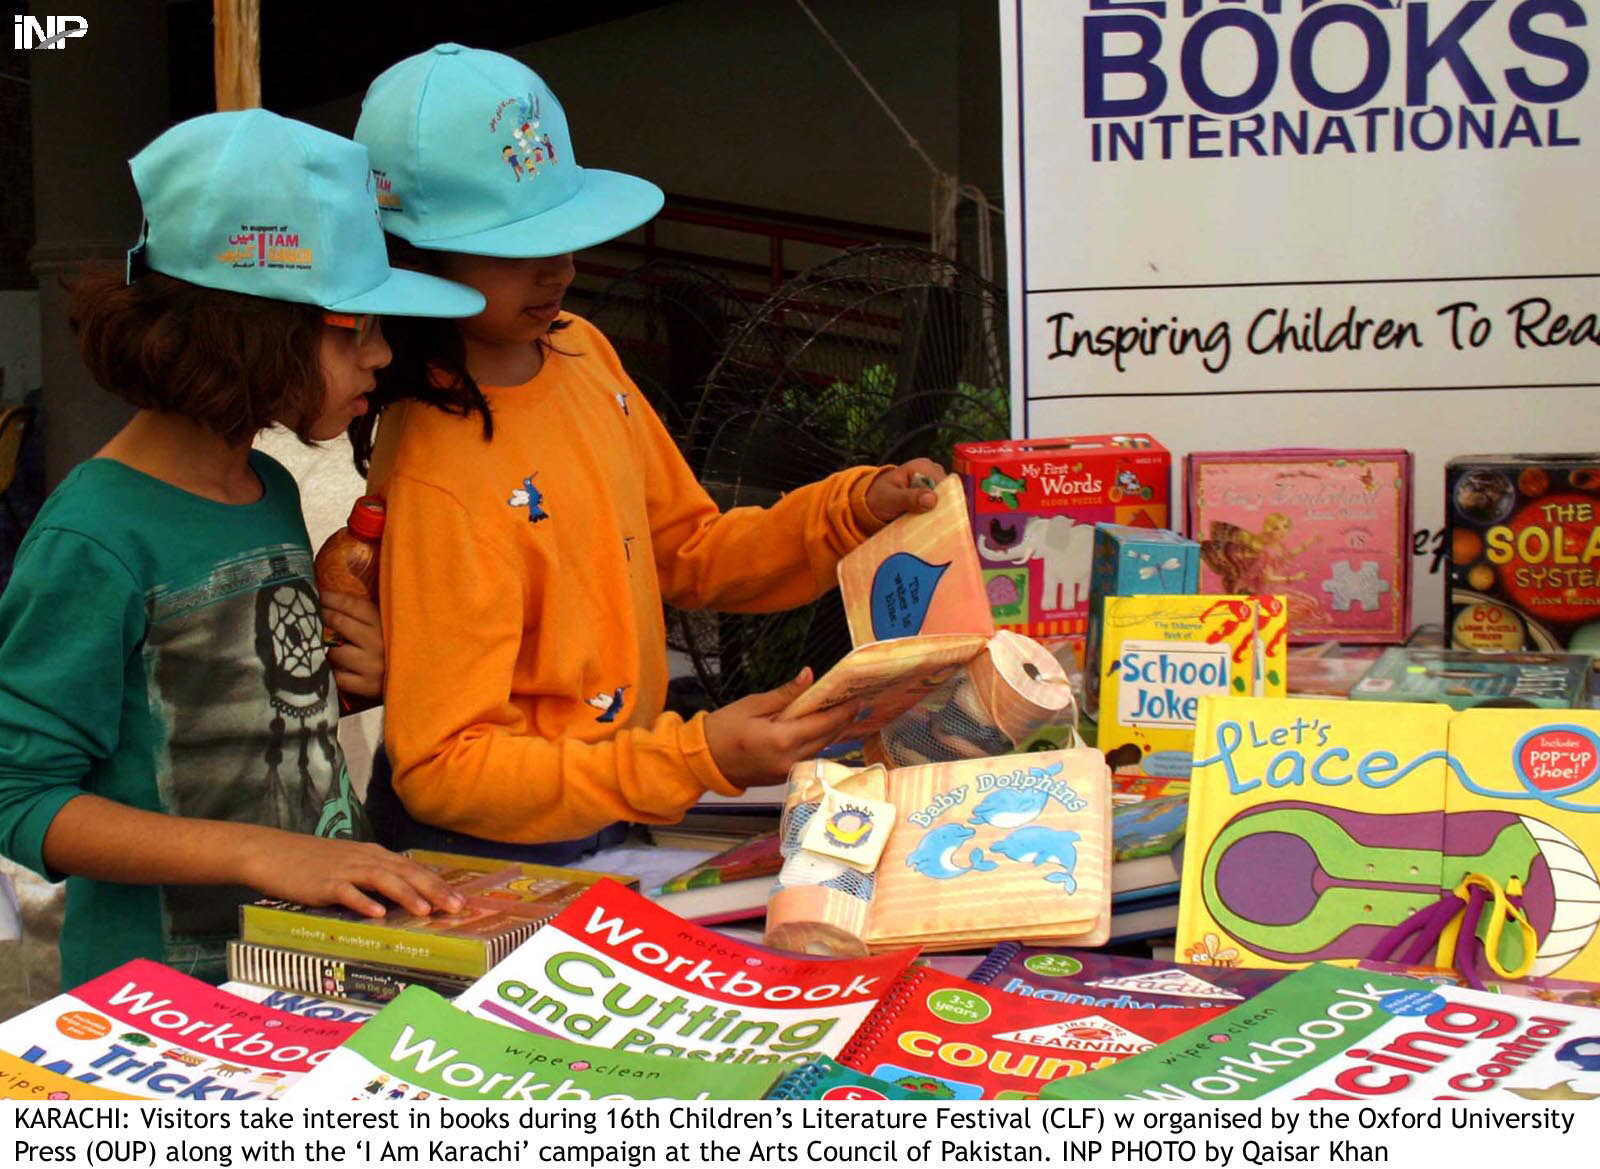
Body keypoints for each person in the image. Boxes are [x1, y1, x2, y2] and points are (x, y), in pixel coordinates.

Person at [349, 45, 945, 858]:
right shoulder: (436, 466)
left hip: (609, 809)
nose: (557, 268)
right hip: (482, 855)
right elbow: (444, 764)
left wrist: (852, 509)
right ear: (417, 257)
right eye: (516, 248)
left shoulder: (583, 351)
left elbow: (690, 551)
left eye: (564, 234)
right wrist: (691, 758)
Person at [0, 110, 488, 987]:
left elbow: (211, 725)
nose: (382, 355)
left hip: (311, 968)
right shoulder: (95, 536)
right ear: (253, 328)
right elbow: (21, 796)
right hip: (168, 1007)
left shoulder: (272, 488)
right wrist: (267, 855)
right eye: (359, 327)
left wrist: (335, 687)